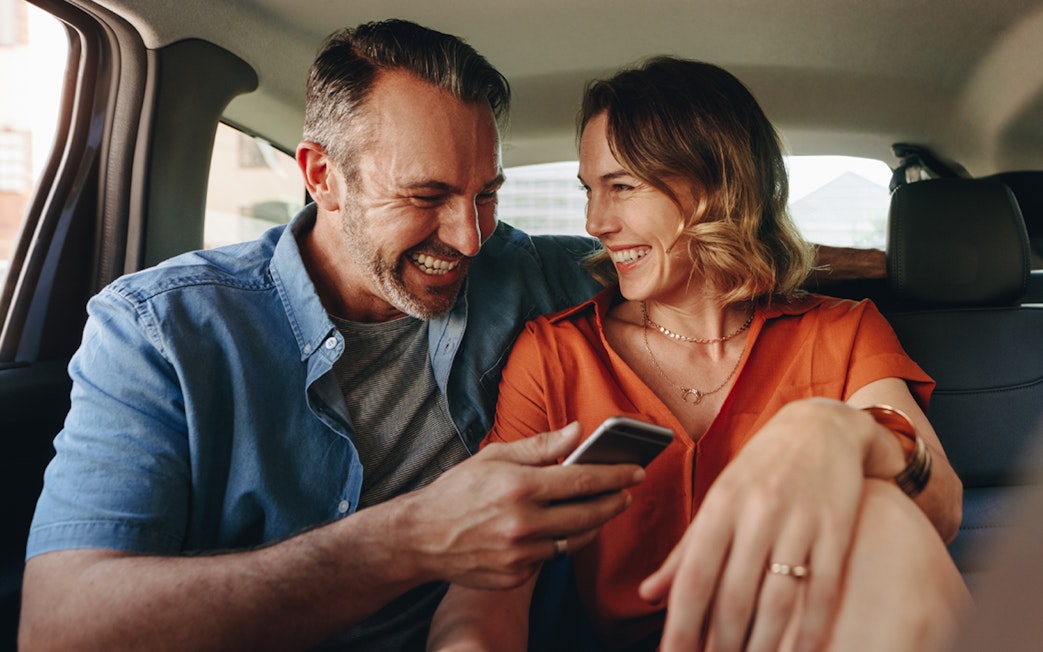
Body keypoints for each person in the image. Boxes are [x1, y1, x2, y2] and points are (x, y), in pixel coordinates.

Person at [17, 20, 647, 651]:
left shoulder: (536, 274)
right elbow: (61, 631)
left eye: (486, 194)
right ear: (322, 175)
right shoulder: (160, 331)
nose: (469, 238)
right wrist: (412, 537)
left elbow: (694, 266)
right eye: (426, 195)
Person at [429, 57, 969, 652]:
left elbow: (940, 510)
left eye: (622, 187)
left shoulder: (841, 332)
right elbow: (488, 588)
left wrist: (844, 433)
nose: (595, 222)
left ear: (716, 187)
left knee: (886, 509)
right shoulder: (555, 354)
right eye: (589, 191)